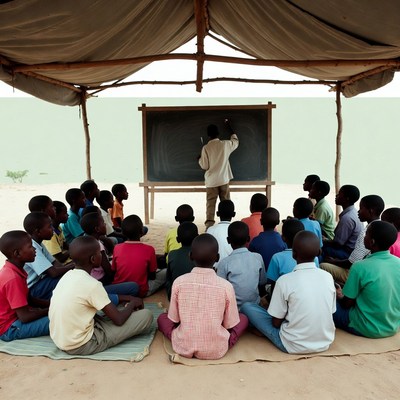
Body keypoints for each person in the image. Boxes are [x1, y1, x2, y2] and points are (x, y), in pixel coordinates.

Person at [49, 236, 153, 355]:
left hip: (61, 339)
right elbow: (119, 320)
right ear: (93, 259)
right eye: (100, 252)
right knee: (146, 315)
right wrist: (133, 303)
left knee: (120, 308)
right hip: (82, 344)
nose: (102, 255)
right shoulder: (92, 284)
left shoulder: (66, 277)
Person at [241, 231, 336, 354]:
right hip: (324, 343)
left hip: (292, 344)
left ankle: (263, 331)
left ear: (293, 254)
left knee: (247, 307)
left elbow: (275, 323)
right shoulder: (328, 277)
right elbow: (331, 311)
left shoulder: (285, 281)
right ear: (319, 252)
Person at [157, 234, 248, 360]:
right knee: (243, 319)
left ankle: (186, 338)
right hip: (216, 349)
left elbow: (174, 319)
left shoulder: (179, 282)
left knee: (162, 318)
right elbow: (229, 324)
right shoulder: (226, 286)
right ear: (217, 258)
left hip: (184, 345)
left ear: (190, 256)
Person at [334, 221, 400, 338]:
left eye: (366, 235)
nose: (364, 237)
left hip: (365, 327)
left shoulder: (360, 266)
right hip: (392, 326)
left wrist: (339, 295)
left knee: (327, 303)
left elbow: (346, 304)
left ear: (372, 241)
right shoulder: (398, 262)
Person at [321, 195, 384, 285]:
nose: (358, 211)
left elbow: (352, 263)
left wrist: (333, 261)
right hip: (371, 270)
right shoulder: (381, 227)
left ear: (371, 211)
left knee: (323, 265)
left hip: (358, 273)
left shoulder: (367, 233)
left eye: (361, 208)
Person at [0, 231, 50, 341]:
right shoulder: (12, 278)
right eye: (30, 246)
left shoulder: (15, 269)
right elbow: (25, 317)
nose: (35, 249)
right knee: (61, 319)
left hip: (17, 319)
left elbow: (28, 299)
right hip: (10, 328)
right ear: (17, 253)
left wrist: (50, 304)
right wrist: (50, 310)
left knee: (61, 313)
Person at [111, 215, 166, 297]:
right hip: (141, 291)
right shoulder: (149, 249)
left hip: (120, 289)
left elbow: (114, 270)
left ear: (122, 232)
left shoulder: (117, 248)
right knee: (165, 272)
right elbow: (152, 277)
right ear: (142, 231)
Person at [23, 212, 74, 300]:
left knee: (70, 275)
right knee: (67, 281)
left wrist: (70, 268)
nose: (53, 231)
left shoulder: (39, 243)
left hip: (41, 283)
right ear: (38, 231)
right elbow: (53, 273)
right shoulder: (32, 248)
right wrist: (74, 265)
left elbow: (55, 263)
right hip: (32, 290)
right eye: (50, 227)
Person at [198, 120, 239, 228]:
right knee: (225, 203)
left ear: (208, 135)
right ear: (218, 133)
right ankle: (227, 224)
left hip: (211, 181)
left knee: (211, 204)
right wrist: (230, 128)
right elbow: (235, 141)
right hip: (224, 179)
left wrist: (199, 159)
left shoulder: (206, 148)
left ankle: (209, 225)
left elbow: (204, 166)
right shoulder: (225, 144)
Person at [217, 221, 266, 309]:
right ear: (248, 239)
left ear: (228, 240)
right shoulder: (258, 257)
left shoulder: (224, 263)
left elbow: (220, 290)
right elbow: (262, 282)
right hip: (255, 307)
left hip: (234, 310)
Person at [267, 219, 319, 294]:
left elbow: (274, 288)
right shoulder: (314, 258)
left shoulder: (277, 258)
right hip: (308, 294)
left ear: (283, 238)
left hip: (284, 298)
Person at [322, 184, 363, 260]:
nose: (336, 195)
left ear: (346, 198)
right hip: (351, 250)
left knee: (320, 248)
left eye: (339, 194)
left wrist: (324, 241)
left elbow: (338, 244)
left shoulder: (347, 218)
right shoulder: (353, 212)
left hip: (347, 253)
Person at [165, 222, 198, 300]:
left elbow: (169, 279)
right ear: (197, 238)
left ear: (177, 239)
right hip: (196, 296)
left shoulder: (172, 254)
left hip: (176, 297)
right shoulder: (200, 255)